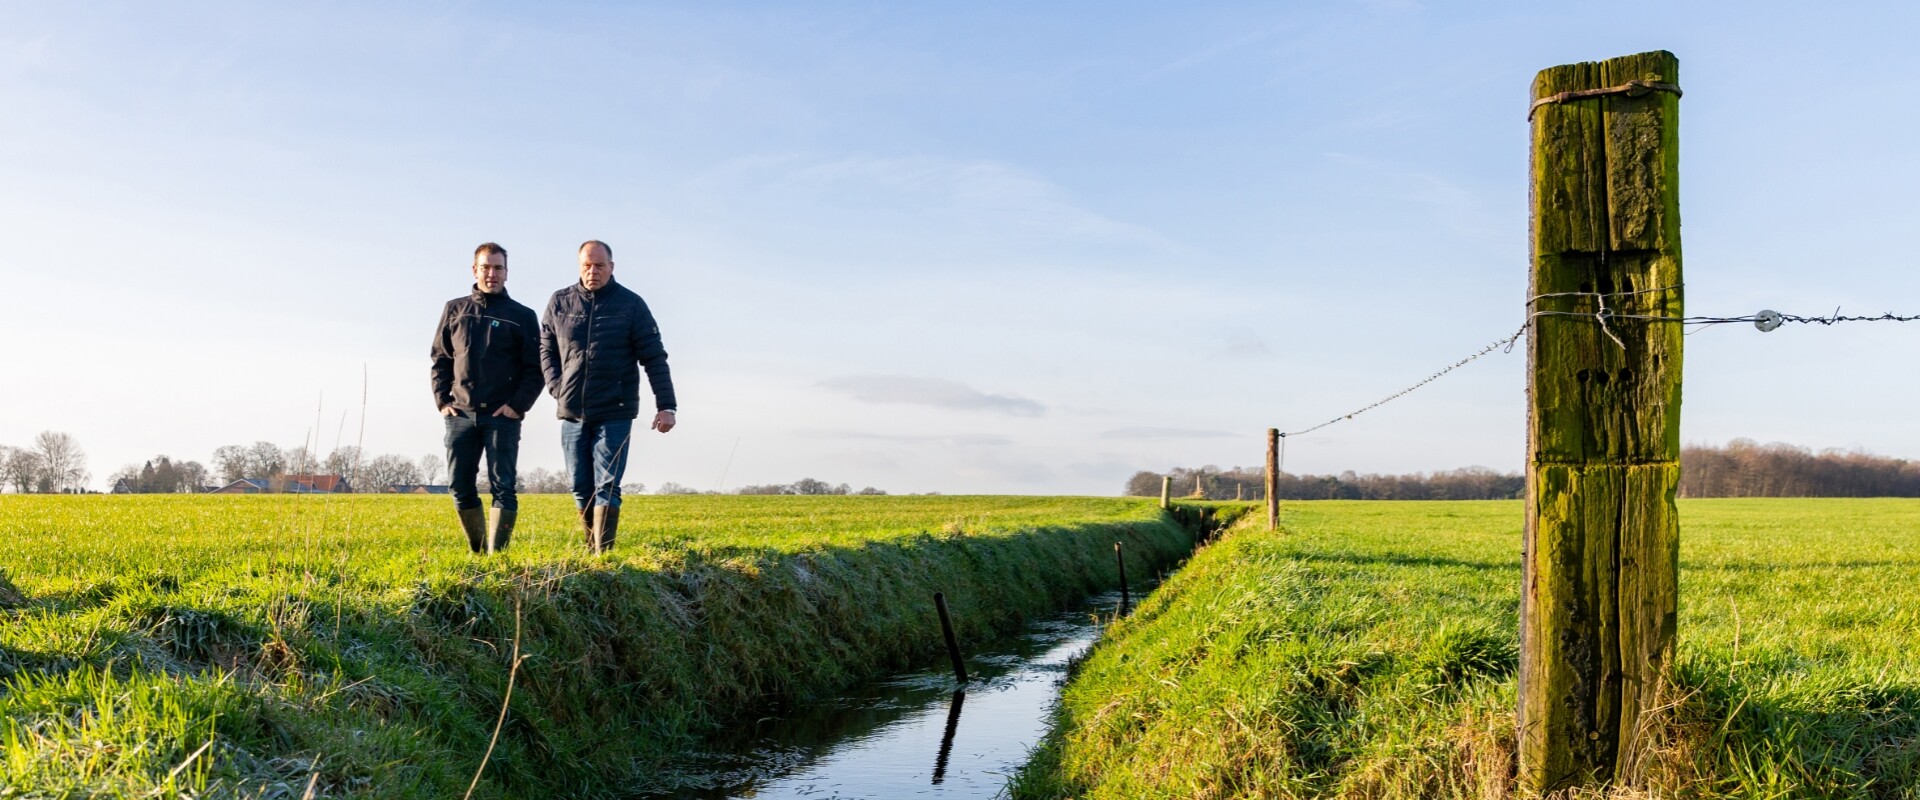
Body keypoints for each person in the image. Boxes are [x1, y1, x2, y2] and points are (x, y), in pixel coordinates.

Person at [540, 239, 676, 553]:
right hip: (572, 411)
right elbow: (546, 349)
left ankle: (604, 555)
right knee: (579, 486)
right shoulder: (559, 302)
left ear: (611, 267)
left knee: (607, 485)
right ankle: (591, 550)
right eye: (587, 265)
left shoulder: (631, 305)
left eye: (599, 265)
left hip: (615, 410)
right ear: (579, 267)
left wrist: (666, 405)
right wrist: (557, 388)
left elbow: (654, 357)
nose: (593, 271)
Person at [429, 242, 542, 554]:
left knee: (503, 486)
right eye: (486, 267)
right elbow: (440, 359)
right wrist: (443, 401)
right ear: (474, 270)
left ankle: (497, 555)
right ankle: (477, 551)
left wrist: (517, 406)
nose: (492, 274)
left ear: (507, 272)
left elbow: (536, 368)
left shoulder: (522, 316)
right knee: (459, 486)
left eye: (498, 268)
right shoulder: (455, 309)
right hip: (460, 415)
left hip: (501, 416)